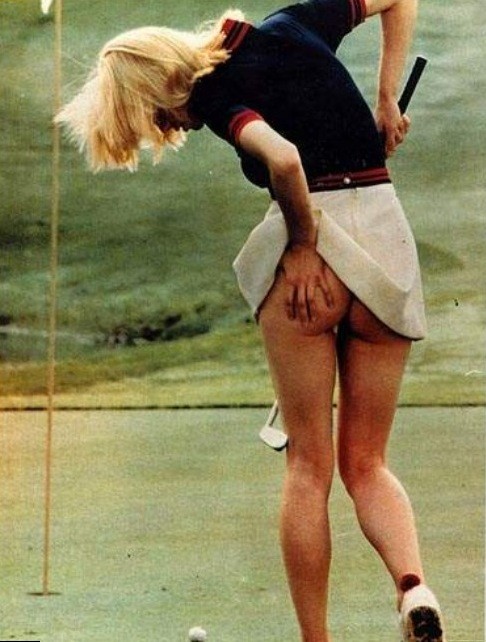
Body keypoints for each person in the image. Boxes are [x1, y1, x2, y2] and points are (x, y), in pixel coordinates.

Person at [56, 0, 446, 640]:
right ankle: (413, 589)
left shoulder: (214, 92)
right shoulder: (296, 22)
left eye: (155, 114)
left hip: (311, 259)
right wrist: (385, 101)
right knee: (367, 463)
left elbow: (284, 159)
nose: (167, 127)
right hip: (384, 241)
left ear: (162, 82)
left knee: (308, 467)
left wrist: (302, 246)